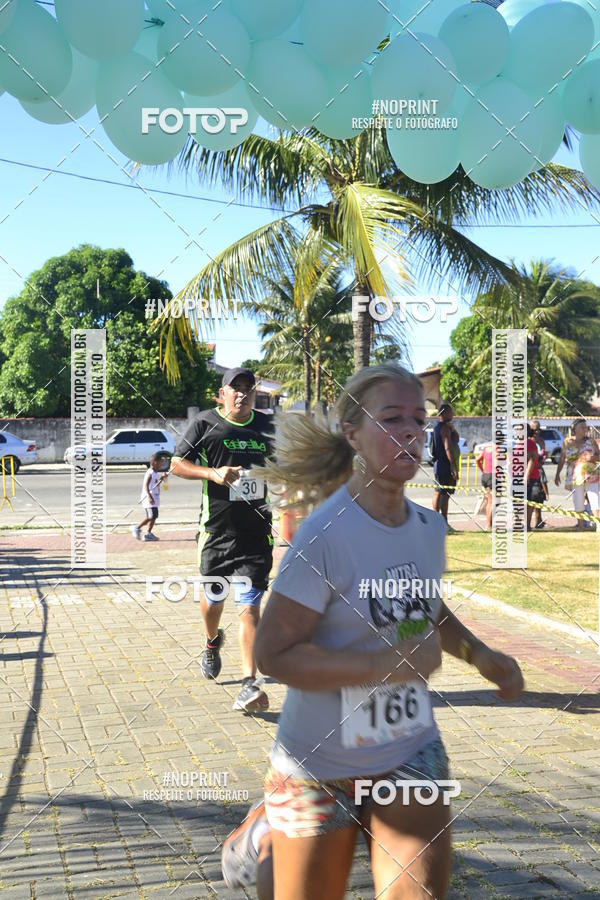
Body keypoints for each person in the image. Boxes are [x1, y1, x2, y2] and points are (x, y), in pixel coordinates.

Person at [221, 364, 524, 898]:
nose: (410, 430)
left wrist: (480, 654)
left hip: (409, 748)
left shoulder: (428, 527)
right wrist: (383, 666)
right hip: (317, 762)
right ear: (353, 434)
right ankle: (263, 834)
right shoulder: (325, 536)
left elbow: (426, 608)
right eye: (391, 419)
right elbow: (273, 654)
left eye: (417, 418)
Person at [170, 368, 275, 712]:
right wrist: (212, 474)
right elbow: (176, 464)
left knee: (249, 608)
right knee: (215, 601)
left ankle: (249, 683)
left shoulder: (267, 426)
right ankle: (212, 642)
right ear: (223, 393)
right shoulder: (204, 423)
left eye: (248, 388)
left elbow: (286, 466)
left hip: (256, 533)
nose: (243, 394)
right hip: (216, 532)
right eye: (236, 388)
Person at [555, 418, 600, 531]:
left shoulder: (591, 441)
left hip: (591, 475)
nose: (585, 429)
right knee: (578, 501)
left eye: (586, 427)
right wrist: (557, 474)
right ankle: (581, 527)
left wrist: (593, 458)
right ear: (574, 429)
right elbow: (562, 459)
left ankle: (598, 526)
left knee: (594, 499)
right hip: (575, 476)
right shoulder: (567, 442)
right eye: (582, 427)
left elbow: (599, 456)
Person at [431, 403, 460, 527]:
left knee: (444, 493)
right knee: (441, 493)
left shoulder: (443, 427)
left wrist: (453, 430)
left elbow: (456, 440)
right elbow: (448, 448)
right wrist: (454, 467)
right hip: (445, 465)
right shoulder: (443, 428)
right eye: (450, 412)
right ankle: (439, 521)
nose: (452, 414)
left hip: (441, 465)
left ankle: (442, 520)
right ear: (443, 413)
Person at [132, 453, 167, 541]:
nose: (161, 464)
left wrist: (162, 478)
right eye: (160, 462)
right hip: (149, 498)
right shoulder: (150, 472)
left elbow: (155, 484)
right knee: (150, 516)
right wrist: (149, 496)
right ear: (155, 462)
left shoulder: (155, 473)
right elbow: (146, 485)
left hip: (154, 497)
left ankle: (148, 533)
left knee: (154, 515)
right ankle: (137, 528)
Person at [475, 441, 495, 530]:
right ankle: (489, 524)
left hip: (485, 476)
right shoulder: (497, 450)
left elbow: (477, 460)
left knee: (488, 501)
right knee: (492, 502)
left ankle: (489, 523)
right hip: (493, 476)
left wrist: (482, 470)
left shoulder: (486, 449)